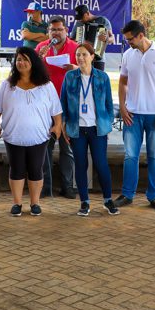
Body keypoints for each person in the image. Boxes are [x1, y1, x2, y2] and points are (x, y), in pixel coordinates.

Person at [0, 47, 63, 217]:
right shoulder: (7, 85)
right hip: (13, 136)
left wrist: (57, 125)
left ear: (33, 63)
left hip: (39, 137)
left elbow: (56, 110)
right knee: (16, 169)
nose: (21, 63)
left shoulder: (46, 85)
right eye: (18, 60)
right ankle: (17, 203)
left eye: (25, 59)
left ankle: (35, 203)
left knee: (36, 169)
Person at [114, 20, 155, 211]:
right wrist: (122, 107)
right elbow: (122, 82)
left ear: (141, 35)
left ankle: (154, 195)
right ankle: (127, 194)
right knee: (130, 155)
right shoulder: (127, 55)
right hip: (133, 113)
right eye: (126, 39)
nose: (128, 42)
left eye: (130, 39)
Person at [60, 43, 118, 216]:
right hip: (77, 129)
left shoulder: (102, 77)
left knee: (101, 165)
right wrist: (64, 126)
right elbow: (63, 102)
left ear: (92, 57)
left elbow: (109, 104)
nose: (80, 58)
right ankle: (84, 202)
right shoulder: (70, 77)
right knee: (80, 165)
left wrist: (107, 123)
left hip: (97, 129)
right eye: (78, 55)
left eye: (84, 54)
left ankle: (108, 200)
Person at [35, 16, 78, 198]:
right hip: (46, 105)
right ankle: (46, 186)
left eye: (59, 29)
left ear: (66, 31)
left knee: (67, 147)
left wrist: (74, 67)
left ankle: (67, 186)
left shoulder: (75, 48)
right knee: (45, 147)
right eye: (53, 30)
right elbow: (32, 72)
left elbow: (87, 71)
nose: (56, 33)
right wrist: (38, 58)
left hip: (68, 103)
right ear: (48, 32)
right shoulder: (41, 48)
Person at [70, 4, 115, 71]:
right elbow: (71, 39)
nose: (80, 20)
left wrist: (106, 39)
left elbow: (112, 39)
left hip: (98, 58)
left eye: (82, 17)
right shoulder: (78, 23)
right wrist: (80, 42)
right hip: (82, 57)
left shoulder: (102, 21)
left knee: (98, 80)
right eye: (78, 18)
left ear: (87, 13)